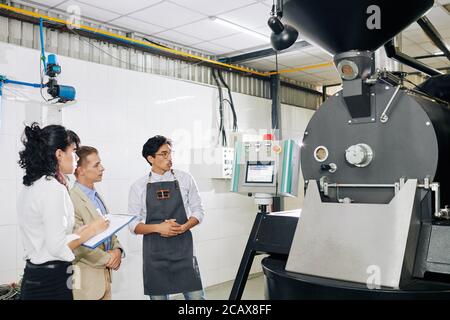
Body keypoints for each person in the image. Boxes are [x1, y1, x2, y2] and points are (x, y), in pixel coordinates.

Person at [17, 122, 109, 300]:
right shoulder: (53, 188)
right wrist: (92, 229)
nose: (76, 157)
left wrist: (79, 232)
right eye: (73, 152)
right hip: (51, 282)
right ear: (59, 154)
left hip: (34, 275)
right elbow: (57, 246)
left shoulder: (32, 185)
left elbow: (49, 237)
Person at [128, 135, 205, 300]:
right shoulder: (138, 187)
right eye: (163, 154)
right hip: (154, 254)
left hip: (183, 250)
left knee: (196, 298)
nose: (169, 158)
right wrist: (158, 228)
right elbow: (133, 225)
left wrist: (184, 226)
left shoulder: (185, 179)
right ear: (151, 158)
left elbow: (199, 211)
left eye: (170, 153)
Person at [70, 146, 124, 300]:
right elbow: (77, 245)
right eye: (96, 165)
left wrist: (118, 251)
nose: (102, 168)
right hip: (87, 282)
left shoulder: (96, 196)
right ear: (80, 170)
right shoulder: (72, 199)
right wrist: (109, 259)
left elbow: (110, 229)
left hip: (105, 278)